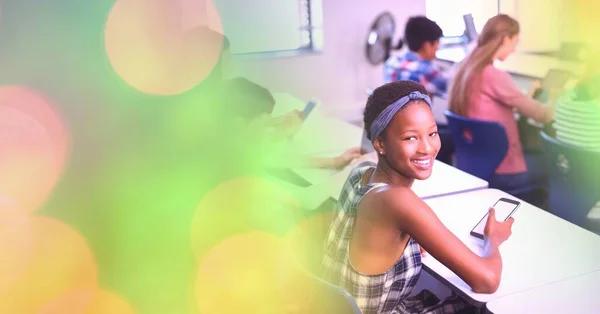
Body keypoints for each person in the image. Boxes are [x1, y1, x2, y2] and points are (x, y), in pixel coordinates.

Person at [321, 80, 514, 314]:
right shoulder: (400, 202)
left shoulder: (359, 173)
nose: (427, 147)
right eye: (410, 138)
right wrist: (493, 238)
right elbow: (487, 280)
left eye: (432, 133)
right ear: (380, 143)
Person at [447, 14, 554, 196]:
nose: (514, 49)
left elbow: (500, 103)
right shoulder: (495, 76)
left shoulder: (464, 69)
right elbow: (543, 115)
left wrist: (523, 97)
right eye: (515, 42)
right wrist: (558, 96)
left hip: (475, 165)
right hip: (503, 172)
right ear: (506, 38)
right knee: (556, 167)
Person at [384, 16, 449, 97]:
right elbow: (451, 87)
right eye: (437, 42)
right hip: (415, 109)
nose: (438, 47)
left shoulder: (390, 62)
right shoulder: (426, 70)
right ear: (427, 45)